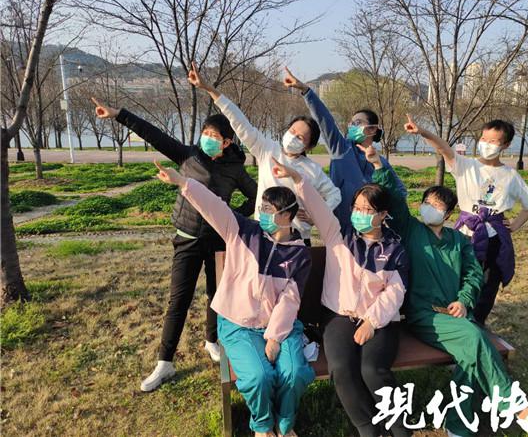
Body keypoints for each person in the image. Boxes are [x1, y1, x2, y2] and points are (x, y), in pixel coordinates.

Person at [362, 144, 528, 437]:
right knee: (475, 337)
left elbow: (474, 276)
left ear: (449, 213)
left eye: (438, 206)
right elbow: (396, 200)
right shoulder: (411, 230)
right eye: (428, 202)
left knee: (469, 355)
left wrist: (464, 301)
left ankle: (458, 426)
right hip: (424, 315)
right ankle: (518, 407)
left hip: (457, 314)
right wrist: (378, 165)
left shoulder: (460, 241)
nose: (431, 208)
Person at [92, 98, 257, 391]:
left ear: (227, 142)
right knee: (178, 300)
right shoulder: (188, 156)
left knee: (216, 296)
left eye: (214, 136)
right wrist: (119, 115)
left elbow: (256, 196)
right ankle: (165, 362)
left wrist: (233, 218)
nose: (207, 139)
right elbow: (154, 134)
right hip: (188, 239)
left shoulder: (235, 169)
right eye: (205, 133)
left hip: (219, 242)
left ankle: (211, 340)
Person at [155, 160, 313, 437]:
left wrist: (275, 338)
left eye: (270, 210)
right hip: (238, 324)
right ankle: (263, 426)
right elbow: (214, 206)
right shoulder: (243, 231)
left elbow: (290, 300)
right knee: (258, 376)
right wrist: (183, 182)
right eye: (262, 207)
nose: (263, 213)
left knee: (295, 372)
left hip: (280, 326)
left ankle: (285, 425)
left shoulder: (299, 254)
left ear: (288, 215)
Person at [271, 157, 409, 437]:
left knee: (372, 369)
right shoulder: (339, 235)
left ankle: (400, 426)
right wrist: (297, 178)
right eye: (356, 207)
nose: (359, 214)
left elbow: (396, 291)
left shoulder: (394, 249)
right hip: (338, 316)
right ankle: (368, 428)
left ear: (383, 214)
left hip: (380, 319)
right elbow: (319, 208)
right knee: (341, 368)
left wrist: (372, 322)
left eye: (367, 209)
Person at [187, 62, 341, 245]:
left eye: (300, 137)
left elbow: (335, 195)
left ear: (309, 146)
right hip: (264, 234)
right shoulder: (267, 149)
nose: (292, 137)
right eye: (292, 131)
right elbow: (239, 121)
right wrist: (209, 89)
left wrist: (314, 216)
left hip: (297, 240)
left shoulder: (312, 169)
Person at [404, 116, 528, 326]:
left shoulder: (511, 176)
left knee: (487, 284)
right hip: (465, 235)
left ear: (505, 145)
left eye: (493, 141)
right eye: (484, 139)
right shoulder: (466, 165)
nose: (486, 144)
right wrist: (422, 132)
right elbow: (443, 149)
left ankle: (477, 322)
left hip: (493, 240)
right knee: (458, 278)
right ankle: (455, 320)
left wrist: (514, 226)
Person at [282, 67, 407, 228]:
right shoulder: (341, 149)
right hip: (340, 227)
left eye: (358, 123)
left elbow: (399, 193)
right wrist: (306, 91)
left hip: (369, 228)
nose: (352, 126)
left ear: (372, 129)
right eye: (351, 123)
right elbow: (325, 120)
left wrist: (378, 168)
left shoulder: (381, 162)